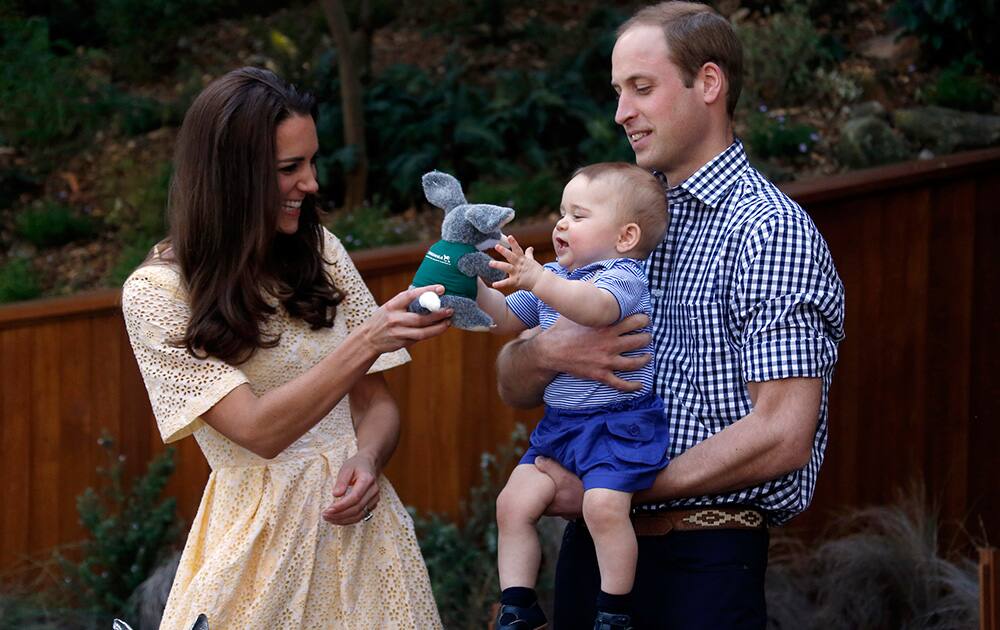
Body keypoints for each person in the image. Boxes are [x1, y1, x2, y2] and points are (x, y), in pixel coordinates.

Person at [495, 3, 846, 629]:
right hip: (593, 558)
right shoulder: (613, 220)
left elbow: (783, 432)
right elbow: (510, 381)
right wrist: (546, 354)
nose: (621, 111)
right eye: (617, 91)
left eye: (642, 87)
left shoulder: (771, 231)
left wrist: (624, 485)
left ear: (708, 84)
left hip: (703, 561)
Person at [120, 67, 451, 629]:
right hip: (257, 551)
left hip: (364, 545)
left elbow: (376, 403)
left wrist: (367, 460)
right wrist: (367, 339)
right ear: (232, 176)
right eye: (289, 169)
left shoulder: (320, 249)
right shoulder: (156, 293)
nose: (312, 183)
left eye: (312, 161)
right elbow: (259, 431)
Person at [477, 163, 670, 630]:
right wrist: (474, 280)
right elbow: (505, 318)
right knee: (512, 504)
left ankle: (614, 610)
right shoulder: (557, 279)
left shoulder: (622, 276)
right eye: (562, 213)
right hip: (561, 428)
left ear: (625, 237)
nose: (562, 224)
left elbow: (595, 308)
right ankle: (518, 606)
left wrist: (538, 278)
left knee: (602, 506)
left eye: (578, 216)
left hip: (617, 425)